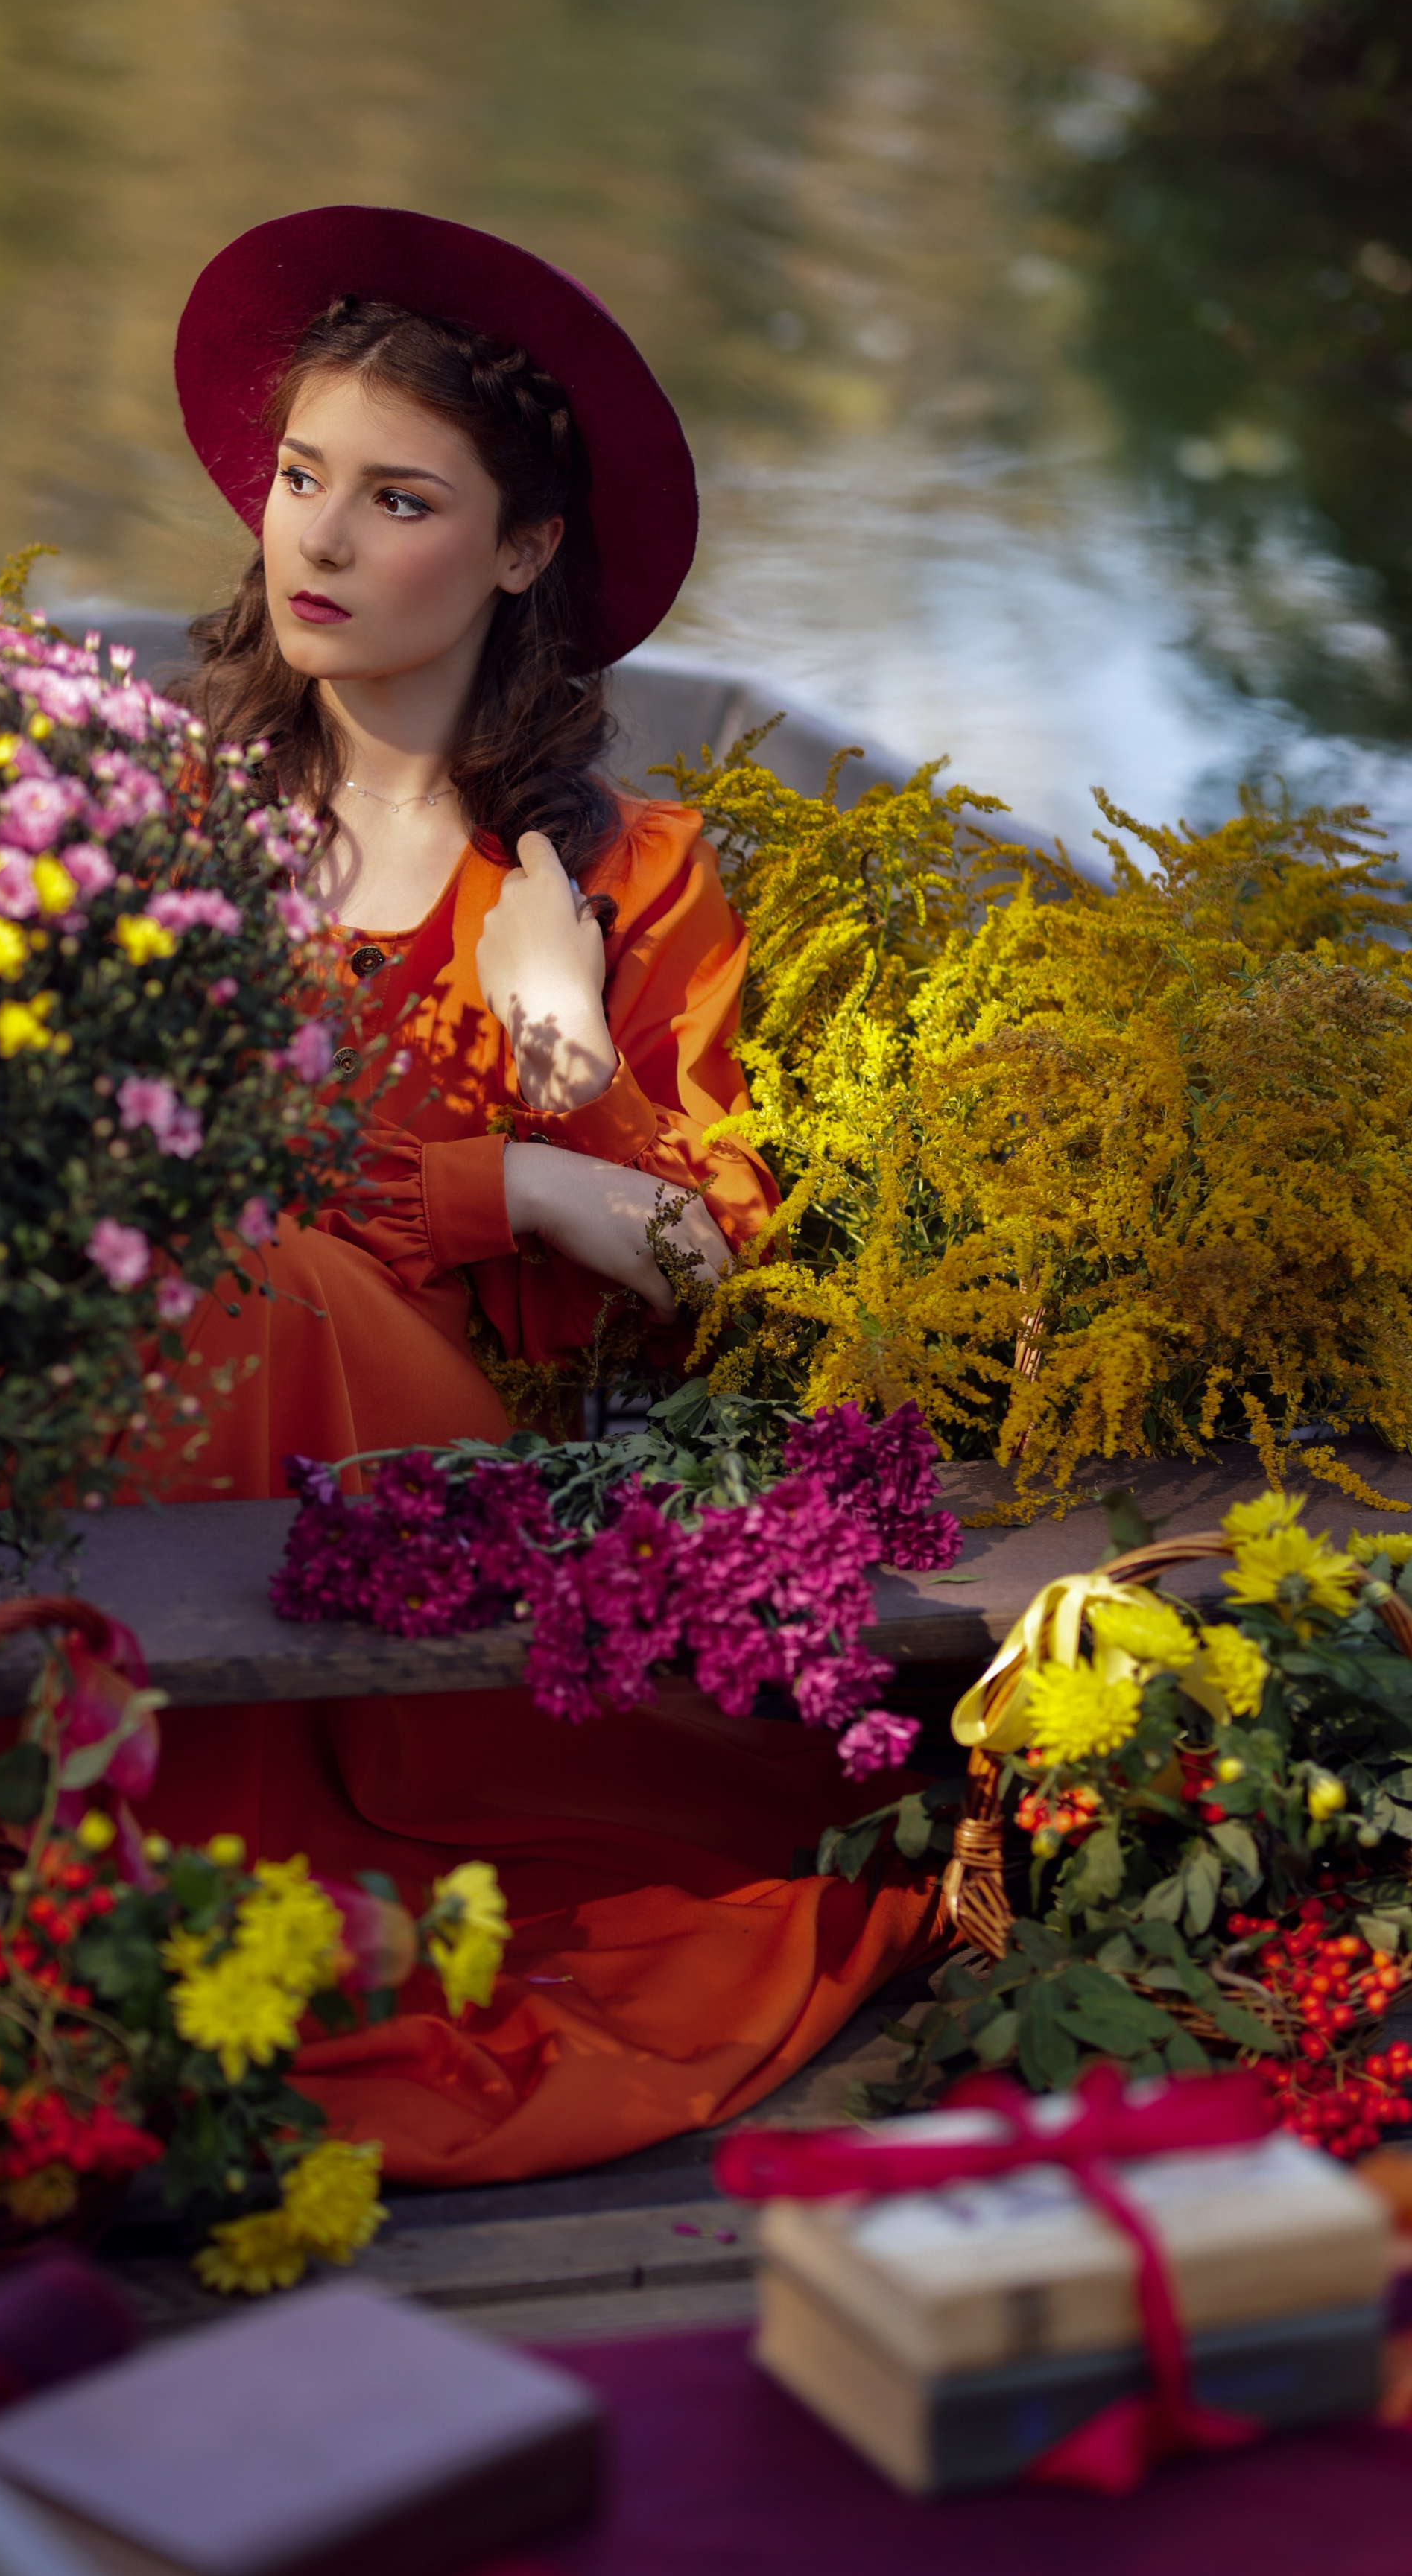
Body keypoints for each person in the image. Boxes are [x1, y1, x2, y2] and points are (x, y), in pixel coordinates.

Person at [122, 209, 939, 2181]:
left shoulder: (627, 873)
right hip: (144, 1398)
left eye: (397, 501)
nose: (318, 541)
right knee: (215, 1275)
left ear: (520, 550)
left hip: (434, 1461)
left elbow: (692, 1250)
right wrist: (511, 1180)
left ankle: (185, 1875)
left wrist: (561, 1045)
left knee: (268, 1277)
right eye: (301, 478)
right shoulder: (170, 820)